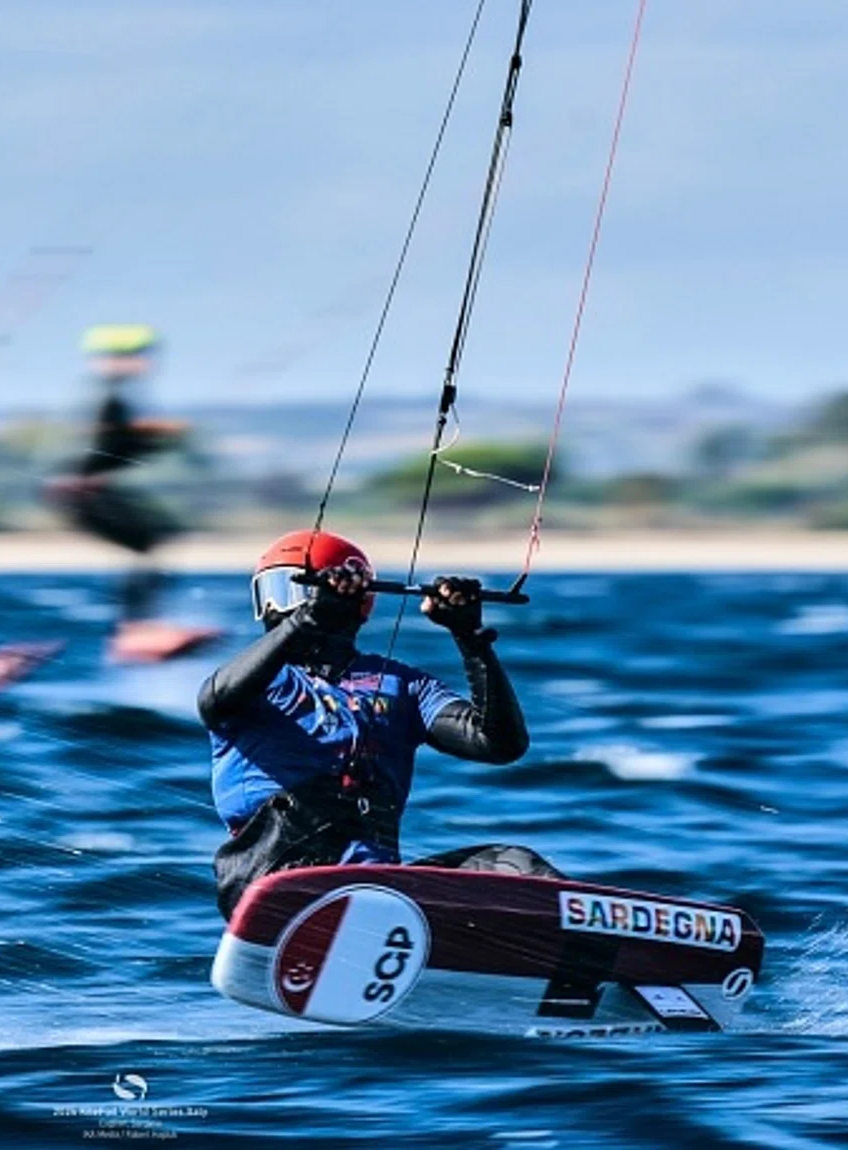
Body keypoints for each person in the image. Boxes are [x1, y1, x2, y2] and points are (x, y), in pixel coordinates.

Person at [199, 529, 539, 919]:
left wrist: (470, 639)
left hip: (376, 891)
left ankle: (579, 945)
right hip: (272, 883)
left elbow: (499, 744)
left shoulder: (405, 686)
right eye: (269, 592)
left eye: (292, 590)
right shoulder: (254, 683)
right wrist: (308, 619)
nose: (276, 607)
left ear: (359, 600)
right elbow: (214, 699)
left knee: (518, 865)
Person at [48, 324, 200, 661]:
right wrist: (146, 434)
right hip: (80, 492)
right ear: (109, 359)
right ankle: (134, 629)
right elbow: (102, 442)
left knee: (160, 537)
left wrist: (151, 437)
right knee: (149, 543)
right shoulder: (104, 398)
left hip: (85, 490)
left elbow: (115, 445)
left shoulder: (113, 396)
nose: (144, 363)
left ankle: (140, 626)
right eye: (133, 356)